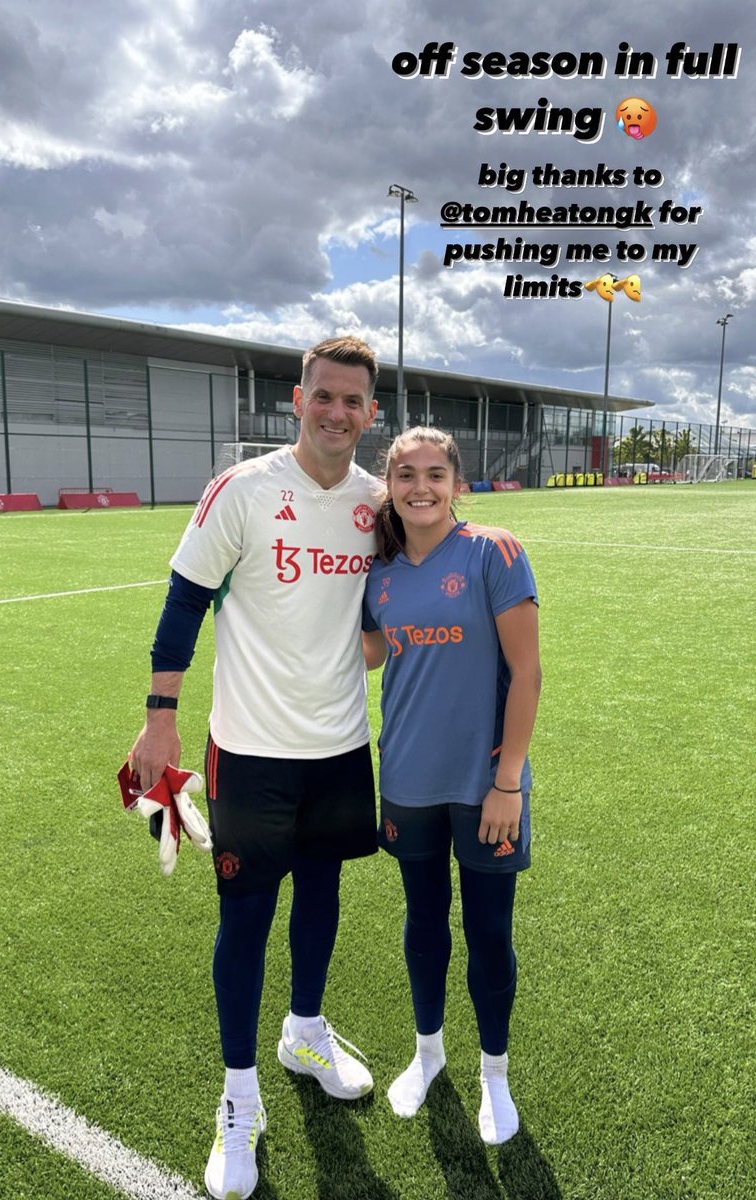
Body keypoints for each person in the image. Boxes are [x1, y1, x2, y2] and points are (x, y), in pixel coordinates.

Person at [130, 336, 382, 1200]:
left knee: (323, 895)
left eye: (354, 400)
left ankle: (303, 1034)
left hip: (343, 746)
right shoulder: (242, 490)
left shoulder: (376, 502)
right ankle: (239, 1098)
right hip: (249, 750)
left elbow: (398, 607)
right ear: (297, 398)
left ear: (371, 413)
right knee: (245, 918)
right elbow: (183, 603)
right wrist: (159, 722)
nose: (338, 412)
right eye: (325, 396)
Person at [361, 427, 541, 1143]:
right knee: (423, 921)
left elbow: (526, 674)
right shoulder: (380, 575)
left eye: (435, 474)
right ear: (390, 487)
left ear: (456, 484)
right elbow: (369, 654)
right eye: (406, 475)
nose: (421, 487)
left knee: (489, 932)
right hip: (407, 777)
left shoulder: (494, 551)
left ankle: (494, 1074)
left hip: (485, 785)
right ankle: (428, 1053)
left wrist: (508, 783)